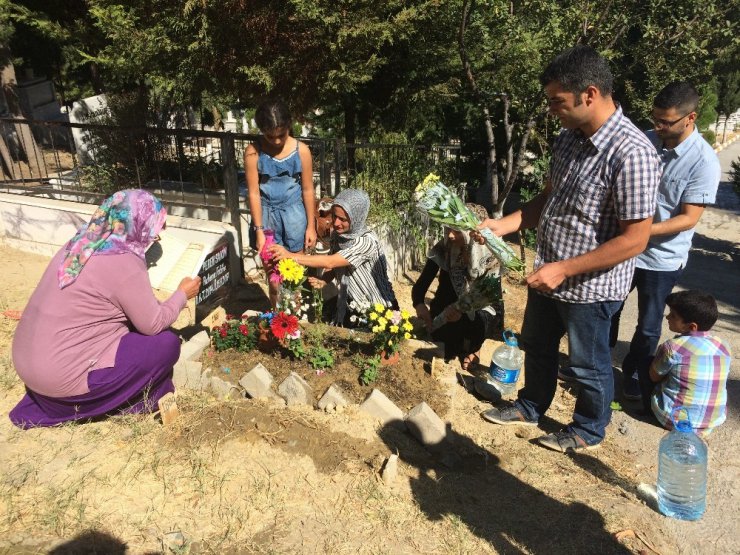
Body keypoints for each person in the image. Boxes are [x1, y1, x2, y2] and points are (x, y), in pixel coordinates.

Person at [476, 45, 661, 452]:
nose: (552, 111)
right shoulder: (568, 138)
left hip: (591, 289)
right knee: (537, 346)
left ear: (589, 94)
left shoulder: (632, 154)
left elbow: (635, 239)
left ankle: (589, 428)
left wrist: (565, 269)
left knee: (588, 364)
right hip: (548, 274)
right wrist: (501, 226)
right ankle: (530, 405)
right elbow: (548, 199)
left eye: (557, 102)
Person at [9, 189, 201, 429]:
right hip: (61, 385)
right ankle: (118, 402)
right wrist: (182, 295)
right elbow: (152, 324)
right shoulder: (124, 260)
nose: (154, 238)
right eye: (156, 231)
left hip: (31, 369)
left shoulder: (82, 243)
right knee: (166, 344)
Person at [611, 82, 721, 406]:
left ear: (690, 118)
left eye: (666, 122)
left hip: (661, 260)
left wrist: (641, 232)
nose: (658, 127)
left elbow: (689, 218)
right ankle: (599, 368)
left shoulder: (704, 162)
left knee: (648, 327)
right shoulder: (646, 139)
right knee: (609, 309)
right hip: (624, 249)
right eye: (655, 119)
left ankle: (634, 375)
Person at [268, 188, 398, 326]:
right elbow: (334, 265)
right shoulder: (338, 235)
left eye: (343, 219)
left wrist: (289, 255)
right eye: (334, 216)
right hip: (351, 304)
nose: (336, 223)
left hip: (378, 309)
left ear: (356, 218)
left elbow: (330, 262)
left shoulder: (366, 242)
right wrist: (324, 280)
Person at [245, 98, 317, 307]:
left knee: (294, 276)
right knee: (274, 278)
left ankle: (293, 324)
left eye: (281, 135)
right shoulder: (253, 152)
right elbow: (254, 193)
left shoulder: (302, 151)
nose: (276, 141)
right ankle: (278, 321)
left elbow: (307, 189)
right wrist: (258, 230)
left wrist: (311, 226)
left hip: (295, 218)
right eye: (270, 136)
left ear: (289, 126)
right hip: (267, 221)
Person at [412, 204, 502, 369]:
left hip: (477, 308)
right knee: (445, 343)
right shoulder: (445, 248)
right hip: (448, 310)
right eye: (447, 229)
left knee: (482, 322)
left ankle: (475, 346)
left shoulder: (490, 254)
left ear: (473, 232)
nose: (450, 236)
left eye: (457, 231)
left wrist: (462, 309)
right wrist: (419, 304)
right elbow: (421, 285)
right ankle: (461, 344)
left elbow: (490, 297)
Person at [648, 290, 730, 437]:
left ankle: (646, 408)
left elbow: (654, 377)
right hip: (711, 422)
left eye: (673, 315)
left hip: (673, 421)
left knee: (649, 363)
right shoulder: (723, 346)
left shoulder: (672, 347)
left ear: (692, 326)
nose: (667, 317)